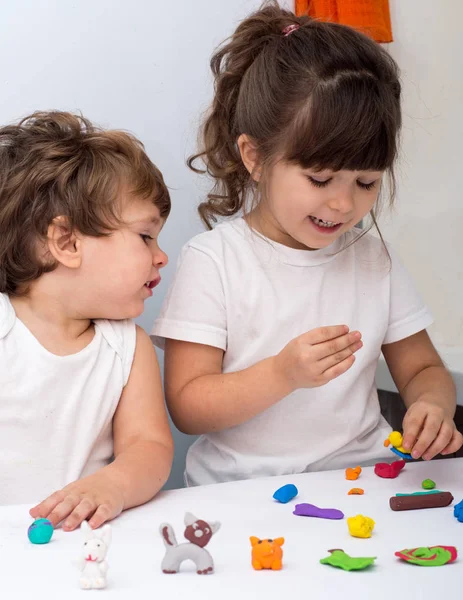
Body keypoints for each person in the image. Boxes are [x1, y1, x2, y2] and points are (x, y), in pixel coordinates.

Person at [152, 2, 462, 486]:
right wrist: (281, 374)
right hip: (241, 493)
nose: (342, 205)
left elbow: (422, 367)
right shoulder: (215, 261)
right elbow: (189, 406)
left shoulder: (372, 259)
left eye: (366, 183)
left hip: (361, 482)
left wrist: (431, 405)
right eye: (320, 178)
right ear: (255, 157)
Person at [0, 110, 173, 528]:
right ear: (66, 242)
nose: (162, 256)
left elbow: (149, 446)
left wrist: (113, 485)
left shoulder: (128, 348)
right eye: (145, 235)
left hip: (81, 546)